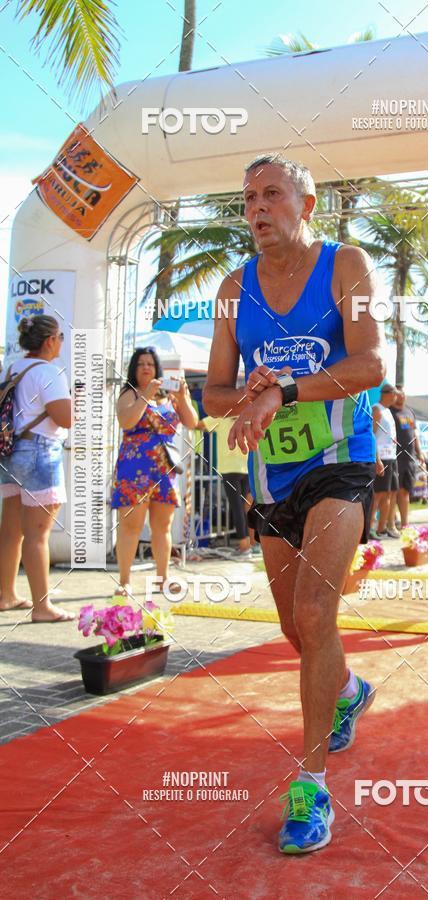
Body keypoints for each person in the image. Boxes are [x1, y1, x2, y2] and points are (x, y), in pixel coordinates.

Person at [203, 153, 385, 854]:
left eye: (272, 193)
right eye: (248, 197)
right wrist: (246, 397)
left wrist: (286, 388)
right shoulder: (230, 289)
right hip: (272, 473)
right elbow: (212, 395)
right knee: (294, 629)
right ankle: (346, 690)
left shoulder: (347, 266)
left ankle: (311, 788)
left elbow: (371, 365)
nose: (257, 207)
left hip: (341, 458)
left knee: (316, 610)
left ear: (306, 204)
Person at [0, 315, 73, 621]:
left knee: (11, 530)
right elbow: (64, 418)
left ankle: (6, 594)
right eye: (59, 338)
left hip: (11, 450)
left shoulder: (12, 368)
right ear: (49, 341)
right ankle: (41, 606)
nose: (60, 344)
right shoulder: (49, 372)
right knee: (38, 534)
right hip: (41, 451)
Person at [111, 348, 198, 597]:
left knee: (163, 526)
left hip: (163, 469)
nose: (146, 368)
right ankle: (125, 580)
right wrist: (145, 397)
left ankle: (163, 578)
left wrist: (183, 397)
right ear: (134, 369)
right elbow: (127, 421)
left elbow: (192, 422)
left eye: (150, 363)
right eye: (141, 364)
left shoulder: (170, 397)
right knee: (131, 525)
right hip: (134, 468)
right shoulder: (129, 394)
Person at [196, 415, 258, 557]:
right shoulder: (247, 416)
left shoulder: (222, 417)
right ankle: (250, 544)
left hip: (229, 469)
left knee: (237, 508)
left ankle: (244, 546)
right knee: (245, 507)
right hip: (246, 467)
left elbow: (198, 424)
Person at [386, 386, 425, 529]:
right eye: (397, 393)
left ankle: (405, 524)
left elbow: (414, 435)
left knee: (405, 491)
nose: (401, 395)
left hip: (409, 458)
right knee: (392, 492)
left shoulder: (410, 412)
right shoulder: (388, 411)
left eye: (402, 392)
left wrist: (419, 452)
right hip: (394, 456)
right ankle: (391, 523)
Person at [370, 383, 399, 538]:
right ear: (388, 394)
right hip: (382, 457)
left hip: (392, 457)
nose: (397, 397)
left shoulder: (388, 411)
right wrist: (377, 459)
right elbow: (371, 435)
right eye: (395, 394)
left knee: (390, 493)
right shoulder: (377, 410)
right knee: (379, 495)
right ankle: (370, 528)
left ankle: (383, 528)